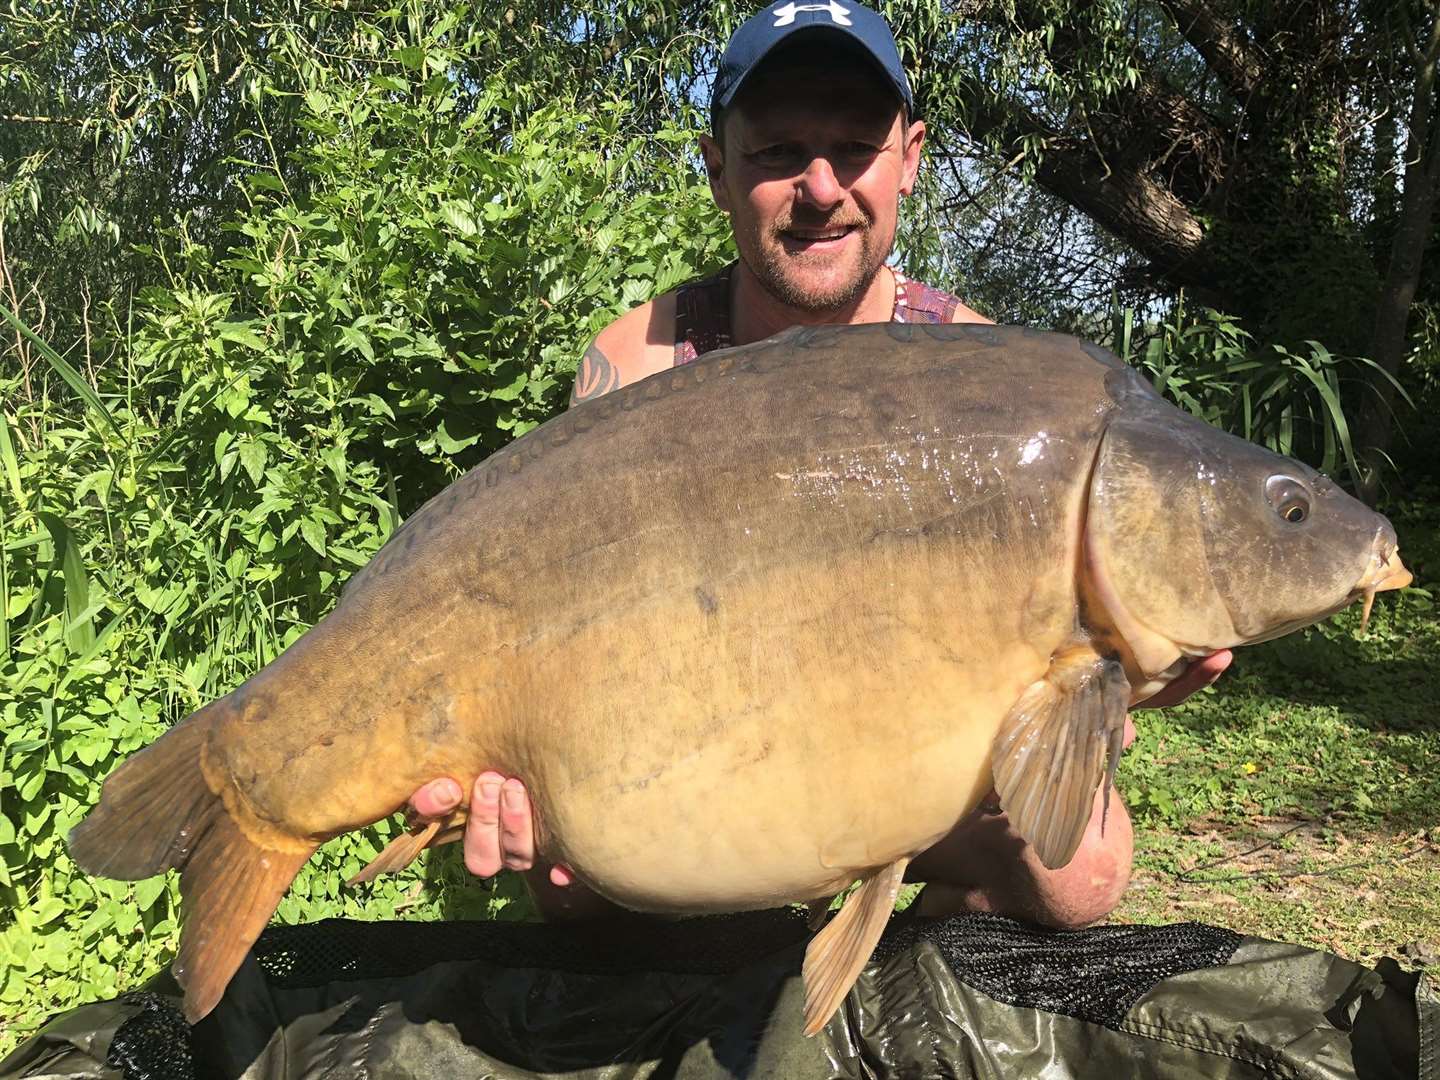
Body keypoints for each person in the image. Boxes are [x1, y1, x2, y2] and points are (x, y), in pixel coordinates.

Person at [406, 0, 1231, 928]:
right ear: (717, 169)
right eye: (777, 153)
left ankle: (898, 978)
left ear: (911, 159)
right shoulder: (641, 361)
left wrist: (1105, 678)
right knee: (571, 889)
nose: (822, 186)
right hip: (713, 743)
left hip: (919, 744)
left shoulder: (983, 375)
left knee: (1077, 876)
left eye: (855, 147)